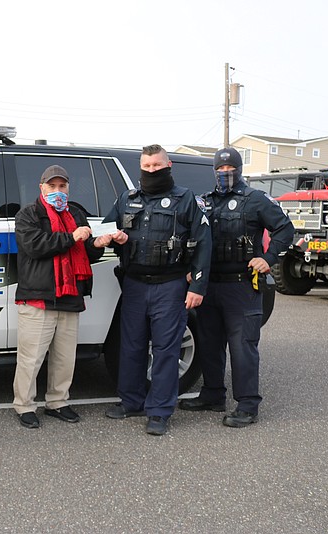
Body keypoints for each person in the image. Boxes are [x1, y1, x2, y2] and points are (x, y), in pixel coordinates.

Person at [179, 147, 294, 427]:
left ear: (239, 171)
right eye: (219, 171)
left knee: (242, 346)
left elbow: (285, 229)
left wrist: (268, 258)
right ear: (214, 172)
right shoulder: (204, 202)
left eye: (229, 171)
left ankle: (247, 405)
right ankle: (213, 395)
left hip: (242, 287)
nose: (224, 175)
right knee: (209, 343)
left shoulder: (255, 200)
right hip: (210, 285)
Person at [102, 144, 211, 436]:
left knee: (165, 350)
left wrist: (197, 285)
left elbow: (203, 243)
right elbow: (105, 231)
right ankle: (131, 402)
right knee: (132, 345)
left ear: (169, 164)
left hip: (171, 285)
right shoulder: (127, 198)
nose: (152, 170)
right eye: (147, 166)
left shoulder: (186, 199)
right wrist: (114, 238)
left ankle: (160, 412)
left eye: (157, 166)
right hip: (134, 284)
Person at [13, 165, 113, 428]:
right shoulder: (28, 215)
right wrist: (72, 237)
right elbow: (36, 246)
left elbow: (87, 252)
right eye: (52, 186)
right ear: (41, 187)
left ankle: (58, 402)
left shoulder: (77, 213)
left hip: (70, 294)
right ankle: (24, 405)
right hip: (38, 297)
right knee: (31, 357)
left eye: (62, 186)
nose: (58, 191)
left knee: (64, 357)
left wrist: (97, 245)